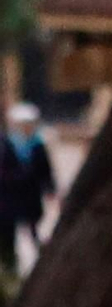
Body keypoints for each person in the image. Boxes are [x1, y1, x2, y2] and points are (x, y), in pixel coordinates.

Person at [4, 102, 53, 260]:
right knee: (8, 230)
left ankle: (40, 256)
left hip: (31, 193)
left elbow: (45, 170)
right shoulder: (7, 144)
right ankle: (10, 261)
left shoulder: (38, 145)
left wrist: (50, 188)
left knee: (33, 225)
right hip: (10, 194)